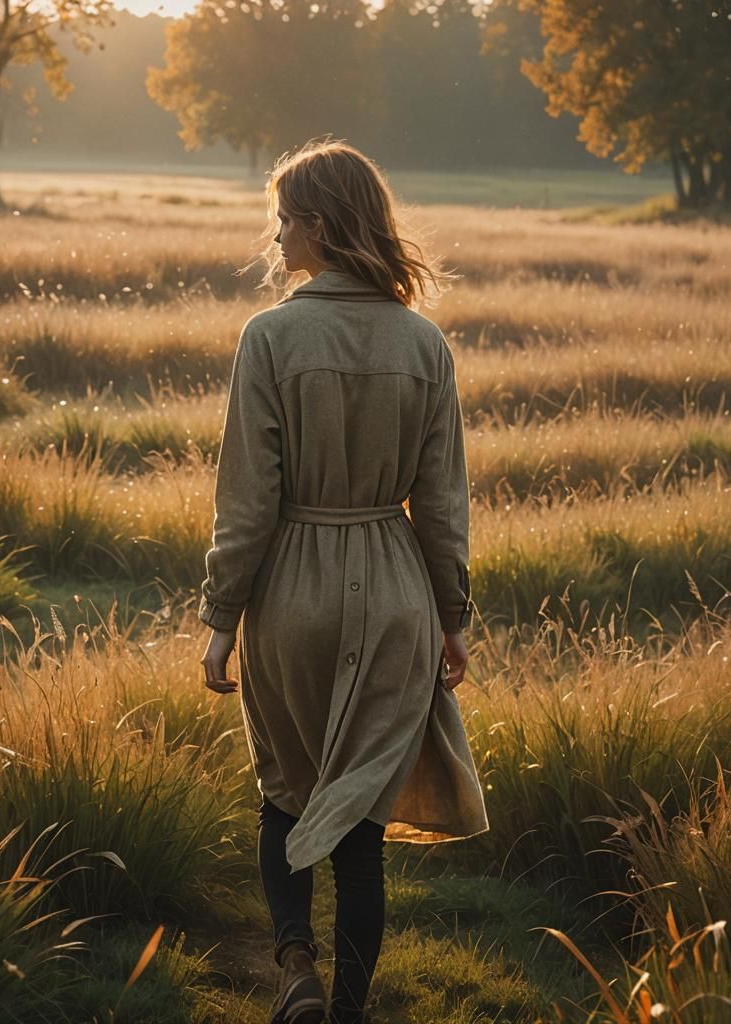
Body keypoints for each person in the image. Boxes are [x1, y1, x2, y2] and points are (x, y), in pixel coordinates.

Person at [198, 139, 489, 1024]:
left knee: (284, 789)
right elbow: (441, 505)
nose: (275, 234)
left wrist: (220, 618)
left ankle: (296, 974)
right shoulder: (424, 344)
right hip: (397, 593)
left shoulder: (270, 336)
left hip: (290, 591)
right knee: (362, 821)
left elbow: (248, 501)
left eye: (285, 218)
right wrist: (453, 618)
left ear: (319, 227)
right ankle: (351, 1010)